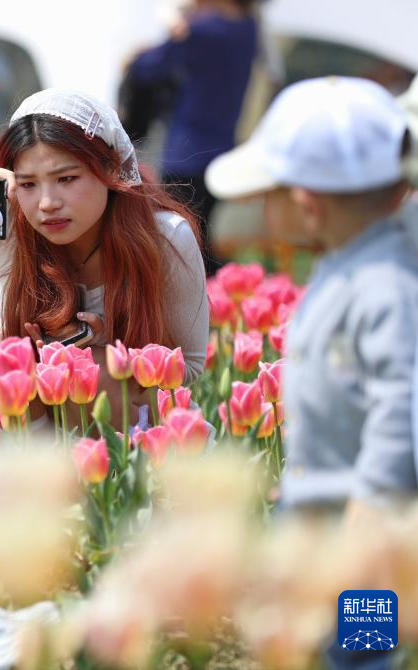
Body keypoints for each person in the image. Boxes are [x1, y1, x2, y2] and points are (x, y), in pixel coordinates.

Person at [205, 77, 418, 666]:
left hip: (367, 527)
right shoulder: (349, 262)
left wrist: (374, 506)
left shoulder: (385, 286)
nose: (261, 206)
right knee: (301, 641)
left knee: (360, 653)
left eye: (268, 193)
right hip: (316, 509)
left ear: (306, 205)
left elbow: (401, 403)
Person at [0, 88, 209, 427]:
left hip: (120, 417)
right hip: (21, 411)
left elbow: (191, 365)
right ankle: (26, 460)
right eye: (28, 184)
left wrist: (107, 350)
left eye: (66, 179)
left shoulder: (162, 236)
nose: (47, 202)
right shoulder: (7, 221)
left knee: (89, 371)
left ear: (111, 169)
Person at [125, 0, 260, 274]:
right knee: (200, 239)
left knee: (177, 241)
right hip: (220, 150)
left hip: (186, 154)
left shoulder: (200, 32)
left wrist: (170, 34)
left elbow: (147, 68)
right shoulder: (248, 28)